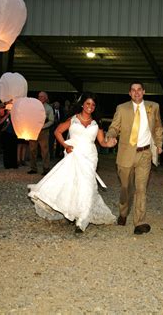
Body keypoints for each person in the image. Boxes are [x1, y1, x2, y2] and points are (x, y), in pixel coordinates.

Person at [28, 92, 117, 233]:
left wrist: (109, 143)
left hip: (90, 157)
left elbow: (102, 142)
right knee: (73, 184)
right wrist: (65, 146)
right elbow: (57, 131)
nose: (90, 107)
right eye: (88, 103)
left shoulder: (96, 122)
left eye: (93, 105)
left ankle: (82, 220)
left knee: (87, 186)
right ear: (82, 104)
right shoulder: (73, 119)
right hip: (74, 155)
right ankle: (74, 212)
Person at [106, 81, 163, 235]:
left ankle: (140, 222)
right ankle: (123, 212)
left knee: (141, 189)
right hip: (126, 154)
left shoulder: (153, 107)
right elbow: (114, 127)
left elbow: (158, 127)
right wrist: (110, 136)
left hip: (145, 154)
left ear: (144, 92)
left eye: (139, 90)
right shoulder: (122, 108)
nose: (136, 93)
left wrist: (159, 144)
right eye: (133, 90)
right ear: (129, 93)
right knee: (126, 188)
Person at [28, 91, 54, 175]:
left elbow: (51, 120)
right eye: (39, 96)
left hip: (43, 132)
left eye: (42, 96)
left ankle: (46, 168)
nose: (40, 98)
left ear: (46, 98)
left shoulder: (49, 108)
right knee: (32, 150)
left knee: (45, 150)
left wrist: (43, 126)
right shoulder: (33, 107)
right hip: (33, 131)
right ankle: (33, 168)